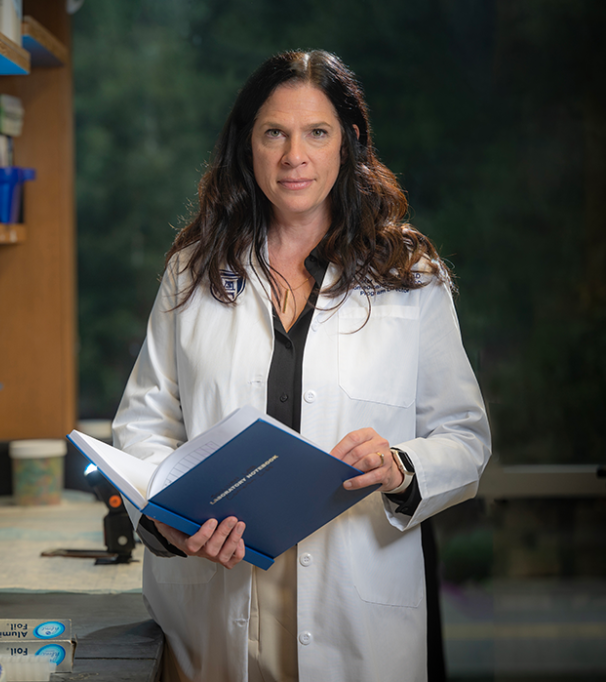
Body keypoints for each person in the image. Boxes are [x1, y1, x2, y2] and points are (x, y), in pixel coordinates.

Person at [112, 50, 492, 682]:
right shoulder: (193, 271)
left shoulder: (410, 278)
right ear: (247, 146)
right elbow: (144, 426)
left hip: (355, 607)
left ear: (350, 144)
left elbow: (465, 436)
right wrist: (167, 522)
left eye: (317, 132)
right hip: (217, 594)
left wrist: (401, 467)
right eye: (274, 134)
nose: (295, 156)